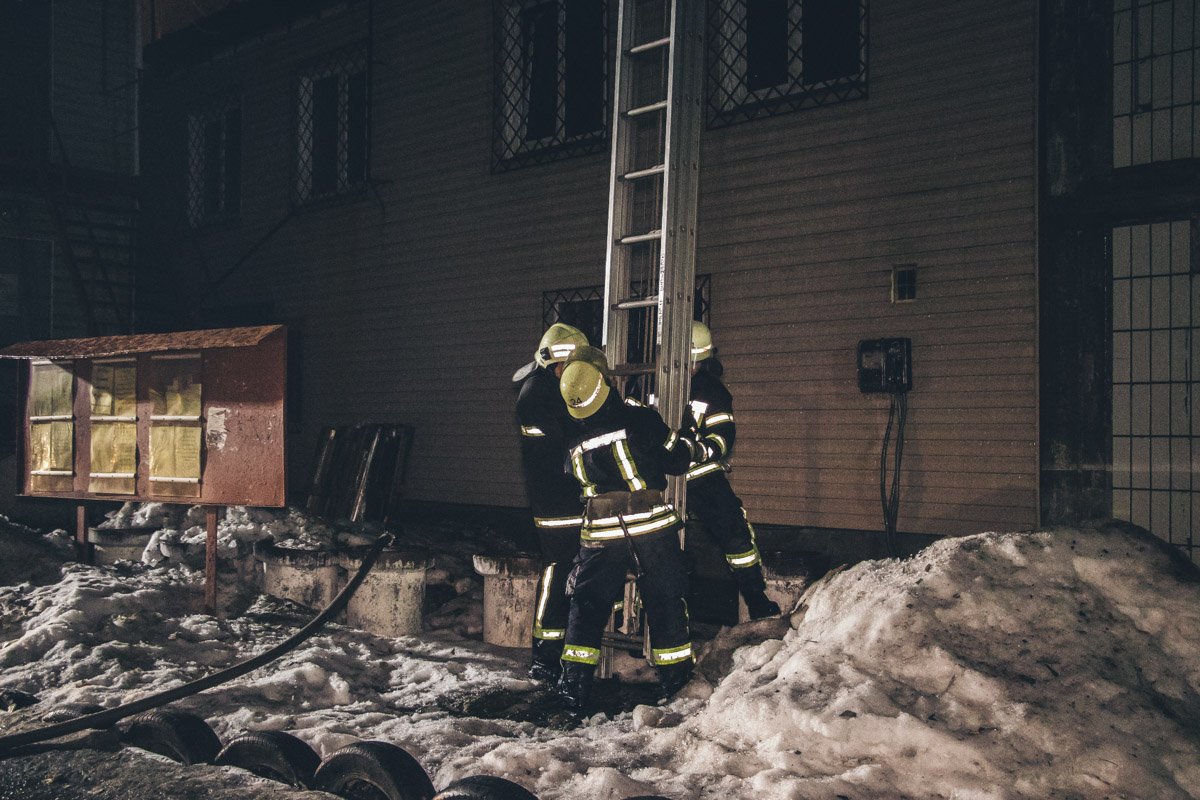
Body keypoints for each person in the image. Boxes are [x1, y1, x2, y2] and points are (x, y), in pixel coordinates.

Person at [555, 346, 702, 709]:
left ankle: (573, 684)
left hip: (599, 532)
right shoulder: (638, 419)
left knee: (587, 606)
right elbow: (677, 459)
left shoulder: (571, 436)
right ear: (605, 382)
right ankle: (676, 679)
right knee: (666, 598)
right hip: (648, 527)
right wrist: (694, 441)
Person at [685, 321, 781, 620]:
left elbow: (722, 435)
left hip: (700, 478)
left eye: (696, 362)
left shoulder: (712, 389)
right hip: (659, 477)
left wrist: (697, 451)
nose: (691, 367)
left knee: (735, 532)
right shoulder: (649, 382)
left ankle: (755, 598)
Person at [514, 322, 589, 683]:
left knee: (578, 574)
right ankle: (545, 655)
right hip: (557, 506)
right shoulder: (538, 395)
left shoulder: (547, 389)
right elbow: (573, 434)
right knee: (559, 574)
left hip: (569, 500)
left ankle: (564, 649)